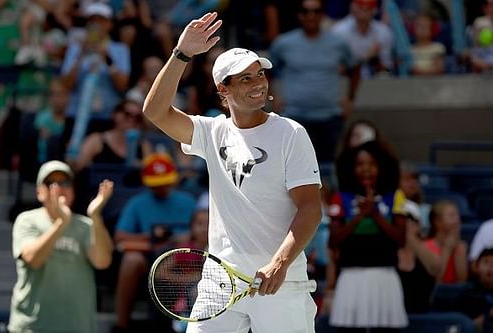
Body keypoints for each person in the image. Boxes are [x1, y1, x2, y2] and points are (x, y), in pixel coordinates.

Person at [142, 12, 322, 333]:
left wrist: (279, 264)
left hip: (281, 280)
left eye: (258, 74)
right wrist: (181, 54)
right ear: (223, 93)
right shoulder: (211, 132)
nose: (257, 83)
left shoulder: (291, 133)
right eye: (244, 78)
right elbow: (155, 112)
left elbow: (310, 208)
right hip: (220, 280)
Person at [8, 160, 114, 333]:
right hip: (32, 327)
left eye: (65, 183)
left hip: (77, 326)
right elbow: (33, 260)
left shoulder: (86, 225)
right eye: (51, 183)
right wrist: (61, 223)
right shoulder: (27, 220)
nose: (58, 188)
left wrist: (95, 216)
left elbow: (102, 261)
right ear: (38, 191)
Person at [328, 140, 408, 332]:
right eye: (360, 164)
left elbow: (401, 239)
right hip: (351, 276)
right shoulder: (341, 198)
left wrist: (375, 214)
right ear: (351, 168)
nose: (366, 169)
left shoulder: (395, 197)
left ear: (381, 167)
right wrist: (360, 216)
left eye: (372, 164)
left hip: (385, 276)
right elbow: (334, 239)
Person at [113, 153, 197, 332]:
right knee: (131, 260)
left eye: (165, 182)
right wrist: (149, 236)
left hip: (183, 259)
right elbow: (119, 236)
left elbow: (204, 229)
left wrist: (188, 236)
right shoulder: (137, 203)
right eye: (156, 184)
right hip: (149, 257)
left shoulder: (188, 202)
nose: (161, 187)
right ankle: (121, 324)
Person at [269, 0, 360, 163]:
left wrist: (350, 99)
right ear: (299, 15)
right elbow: (266, 71)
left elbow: (355, 68)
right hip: (294, 115)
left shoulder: (337, 43)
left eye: (316, 11)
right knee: (294, 164)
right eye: (306, 11)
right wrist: (271, 97)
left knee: (327, 166)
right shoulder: (284, 43)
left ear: (322, 15)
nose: (311, 16)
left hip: (330, 116)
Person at [60, 2, 130, 119]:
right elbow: (66, 85)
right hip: (77, 114)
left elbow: (122, 85)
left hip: (107, 115)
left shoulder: (120, 50)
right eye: (92, 20)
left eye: (101, 20)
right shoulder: (75, 49)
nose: (96, 24)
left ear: (109, 24)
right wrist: (80, 55)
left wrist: (107, 58)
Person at [331, 0, 394, 78]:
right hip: (346, 83)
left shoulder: (383, 32)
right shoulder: (339, 32)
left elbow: (387, 71)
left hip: (375, 84)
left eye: (368, 6)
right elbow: (335, 70)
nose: (364, 9)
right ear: (352, 7)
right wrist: (365, 58)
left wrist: (376, 61)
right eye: (361, 6)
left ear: (375, 10)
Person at [424, 199, 469, 284]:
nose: (457, 220)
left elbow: (461, 283)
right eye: (452, 216)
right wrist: (447, 249)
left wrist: (459, 251)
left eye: (457, 215)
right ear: (437, 222)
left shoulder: (461, 246)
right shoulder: (425, 247)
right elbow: (434, 282)